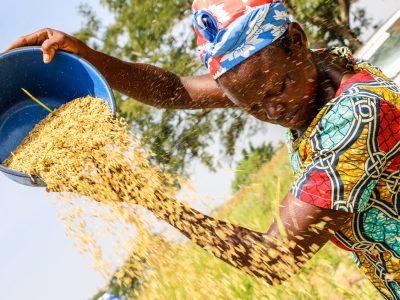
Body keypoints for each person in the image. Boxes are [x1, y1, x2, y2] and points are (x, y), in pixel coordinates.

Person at [5, 0, 400, 298]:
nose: (274, 112)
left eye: (275, 91)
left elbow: (274, 258)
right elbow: (177, 90)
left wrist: (147, 198)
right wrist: (89, 57)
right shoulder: (315, 68)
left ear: (296, 40)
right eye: (253, 107)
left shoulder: (355, 118)